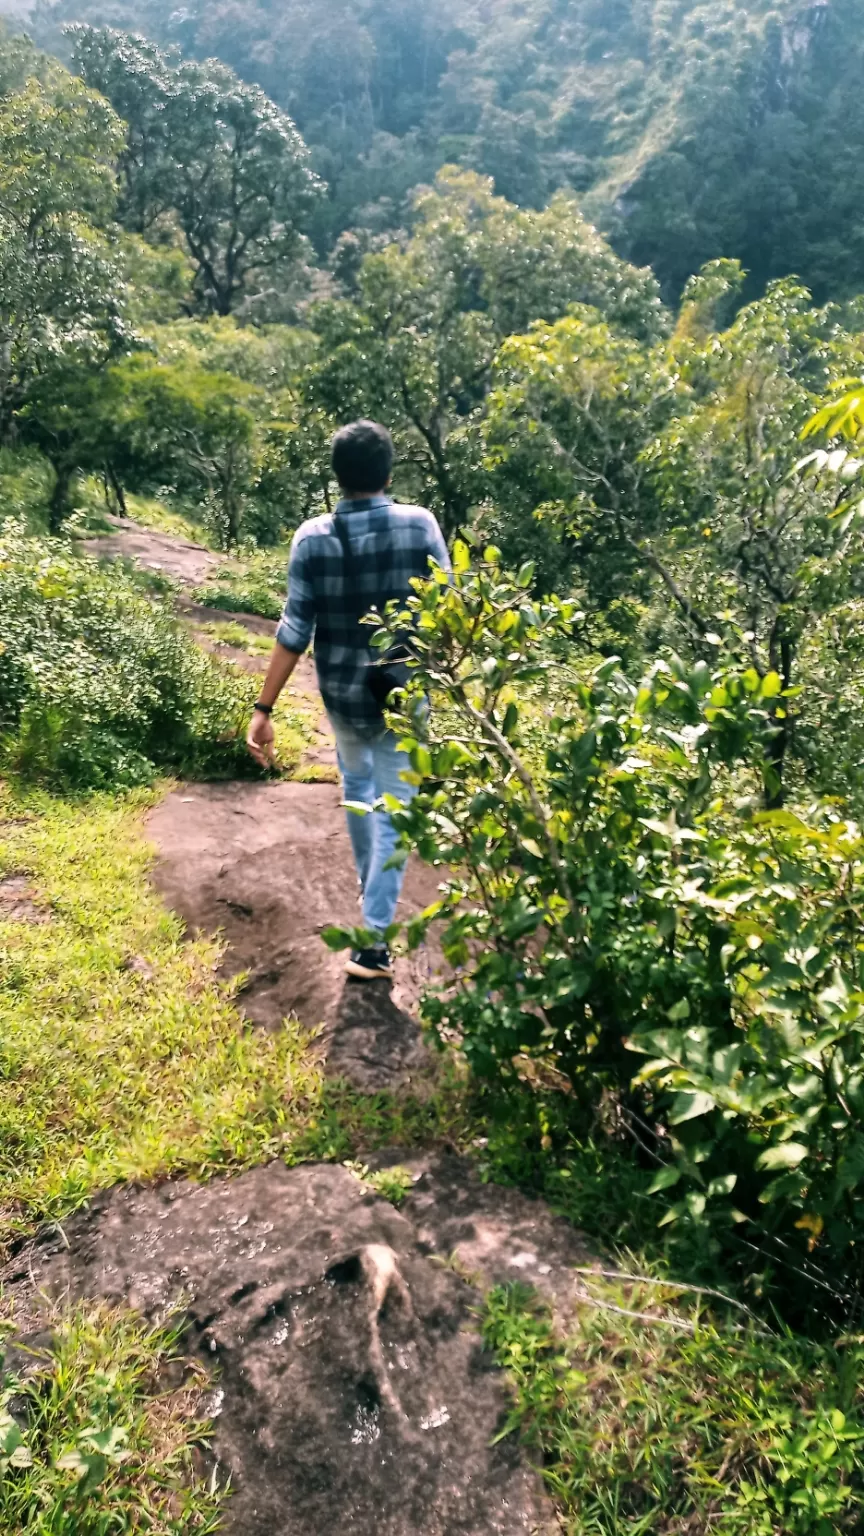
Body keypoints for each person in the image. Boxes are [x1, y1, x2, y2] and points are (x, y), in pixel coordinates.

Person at [246, 419, 450, 980]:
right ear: (389, 472)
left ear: (338, 477)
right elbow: (448, 613)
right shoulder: (420, 525)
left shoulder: (312, 536)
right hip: (404, 698)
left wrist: (263, 711)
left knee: (359, 791)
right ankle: (373, 944)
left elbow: (293, 630)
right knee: (394, 810)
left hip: (340, 695)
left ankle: (371, 896)